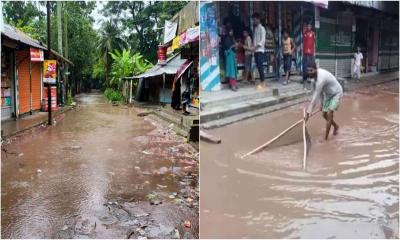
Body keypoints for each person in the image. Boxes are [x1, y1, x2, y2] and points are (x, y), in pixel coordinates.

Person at [305, 62, 343, 140]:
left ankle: (326, 139)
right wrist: (322, 104)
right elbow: (319, 92)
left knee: (329, 113)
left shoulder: (320, 78)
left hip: (336, 93)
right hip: (328, 94)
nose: (309, 73)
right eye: (308, 71)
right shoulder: (313, 79)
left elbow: (315, 98)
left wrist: (308, 113)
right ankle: (336, 126)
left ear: (315, 70)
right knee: (324, 115)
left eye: (311, 70)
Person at [251, 12, 266, 90]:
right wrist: (253, 48)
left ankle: (263, 83)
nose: (254, 21)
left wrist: (255, 47)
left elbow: (262, 41)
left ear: (258, 19)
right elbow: (255, 40)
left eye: (255, 19)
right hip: (256, 51)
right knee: (258, 66)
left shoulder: (262, 28)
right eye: (253, 20)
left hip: (260, 50)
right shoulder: (256, 28)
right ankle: (261, 81)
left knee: (260, 67)